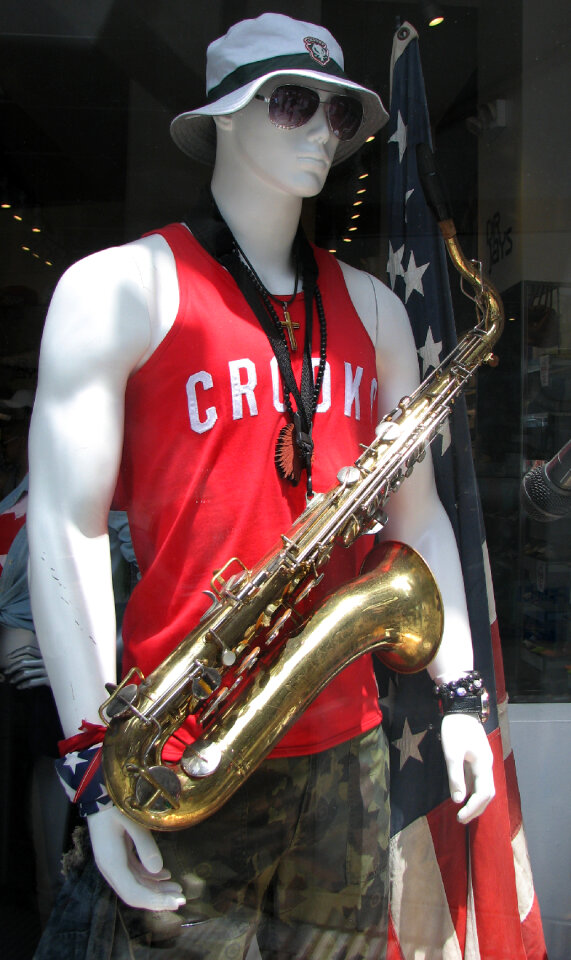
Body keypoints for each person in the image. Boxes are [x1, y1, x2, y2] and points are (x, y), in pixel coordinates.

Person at [27, 13, 494, 959]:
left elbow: (417, 516)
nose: (323, 129)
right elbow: (63, 525)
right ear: (223, 119)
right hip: (187, 752)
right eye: (292, 103)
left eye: (339, 114)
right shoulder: (118, 288)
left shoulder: (373, 307)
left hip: (349, 752)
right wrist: (93, 759)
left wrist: (460, 694)